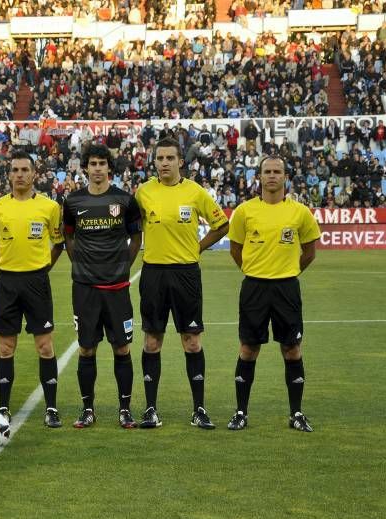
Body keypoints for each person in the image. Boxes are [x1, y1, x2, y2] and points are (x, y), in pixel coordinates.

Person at [134, 136, 229, 429]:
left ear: (180, 162)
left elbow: (222, 224)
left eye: (169, 158)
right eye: (159, 158)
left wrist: (197, 247)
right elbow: (133, 226)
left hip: (186, 273)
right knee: (152, 340)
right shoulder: (143, 192)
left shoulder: (196, 192)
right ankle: (150, 409)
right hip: (153, 273)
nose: (164, 163)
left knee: (191, 341)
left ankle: (199, 410)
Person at [226, 155, 321, 432]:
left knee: (292, 350)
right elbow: (236, 249)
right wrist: (254, 269)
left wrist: (288, 271)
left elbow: (310, 252)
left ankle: (297, 414)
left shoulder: (300, 212)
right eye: (267, 171)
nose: (271, 176)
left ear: (285, 176)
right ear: (259, 176)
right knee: (248, 349)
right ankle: (241, 413)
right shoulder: (244, 211)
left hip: (287, 287)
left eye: (277, 171)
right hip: (254, 286)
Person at [63, 143, 142, 429]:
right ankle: (87, 409)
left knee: (122, 348)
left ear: (110, 167)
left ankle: (125, 409)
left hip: (116, 287)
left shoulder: (125, 200)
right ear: (85, 167)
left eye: (102, 163)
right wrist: (79, 263)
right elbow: (68, 236)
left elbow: (136, 237)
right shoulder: (73, 201)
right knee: (86, 349)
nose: (97, 168)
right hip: (84, 288)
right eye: (92, 163)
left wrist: (124, 266)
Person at [0, 150, 65, 428]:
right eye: (14, 170)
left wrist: (42, 269)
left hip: (37, 282)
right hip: (7, 282)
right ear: (9, 175)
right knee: (6, 347)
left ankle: (51, 408)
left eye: (24, 170)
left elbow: (58, 244)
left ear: (34, 174)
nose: (19, 175)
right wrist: (9, 264)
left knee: (44, 345)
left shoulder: (50, 207)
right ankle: (4, 407)